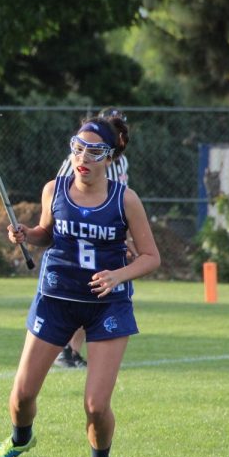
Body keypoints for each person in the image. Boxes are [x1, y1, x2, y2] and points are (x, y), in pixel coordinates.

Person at [0, 112, 160, 457]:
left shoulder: (125, 200)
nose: (83, 157)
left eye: (94, 151)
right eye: (78, 148)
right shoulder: (54, 189)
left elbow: (150, 257)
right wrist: (28, 234)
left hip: (107, 307)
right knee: (22, 396)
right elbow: (48, 233)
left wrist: (117, 276)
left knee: (96, 405)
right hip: (55, 300)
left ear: (110, 158)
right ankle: (20, 438)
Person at [53, 108, 136, 369]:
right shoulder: (83, 156)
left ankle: (73, 350)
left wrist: (127, 235)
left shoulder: (119, 162)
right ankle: (67, 349)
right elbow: (64, 190)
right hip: (81, 235)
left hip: (106, 237)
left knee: (97, 294)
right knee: (84, 292)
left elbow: (122, 202)